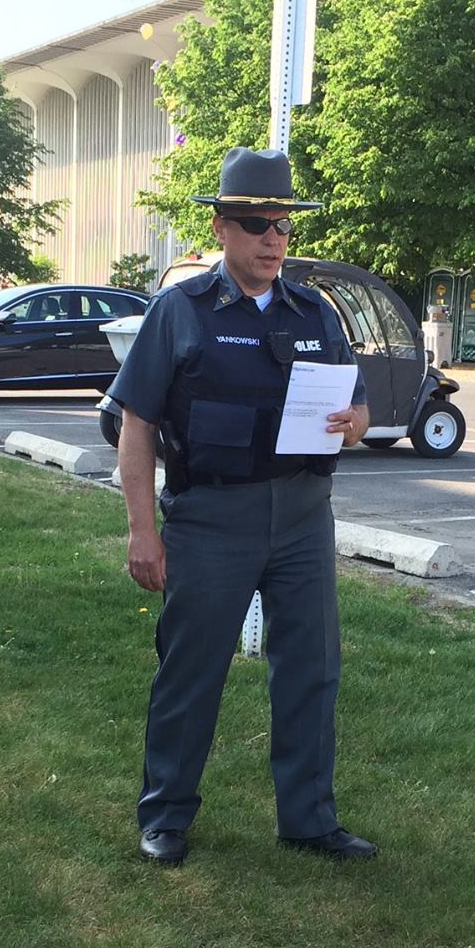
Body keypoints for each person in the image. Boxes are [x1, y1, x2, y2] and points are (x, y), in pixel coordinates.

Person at [109, 147, 375, 868]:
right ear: (222, 228)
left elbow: (355, 402)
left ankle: (309, 819)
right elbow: (135, 424)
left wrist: (356, 421)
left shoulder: (314, 311)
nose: (273, 238)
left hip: (301, 514)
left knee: (312, 667)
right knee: (190, 669)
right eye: (257, 223)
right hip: (211, 518)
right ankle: (165, 815)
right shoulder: (181, 311)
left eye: (283, 224)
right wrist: (142, 530)